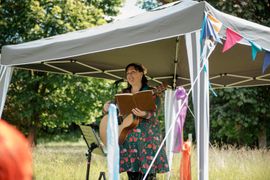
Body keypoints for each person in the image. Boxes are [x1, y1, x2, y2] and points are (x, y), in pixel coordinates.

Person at [103, 63, 169, 180]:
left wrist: (144, 114)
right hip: (128, 140)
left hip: (147, 140)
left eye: (133, 72)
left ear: (141, 73)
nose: (129, 75)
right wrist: (106, 107)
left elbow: (155, 113)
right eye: (127, 73)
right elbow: (113, 112)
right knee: (132, 175)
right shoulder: (123, 93)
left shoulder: (151, 92)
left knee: (148, 175)